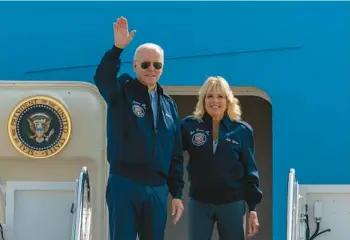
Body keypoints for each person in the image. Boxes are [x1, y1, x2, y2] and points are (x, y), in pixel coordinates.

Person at [93, 16, 185, 240]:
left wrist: (177, 193)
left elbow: (175, 153)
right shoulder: (122, 91)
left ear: (162, 67)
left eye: (157, 64)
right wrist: (117, 49)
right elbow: (102, 79)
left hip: (157, 187)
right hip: (125, 182)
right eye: (145, 64)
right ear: (135, 66)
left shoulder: (169, 105)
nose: (151, 69)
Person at [181, 76, 263, 240]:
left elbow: (250, 171)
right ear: (203, 100)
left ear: (228, 100)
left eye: (220, 96)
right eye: (210, 96)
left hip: (232, 203)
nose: (215, 101)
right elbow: (172, 157)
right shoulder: (188, 126)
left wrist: (252, 209)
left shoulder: (242, 130)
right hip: (199, 202)